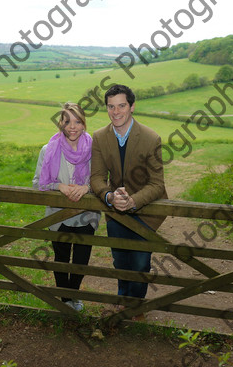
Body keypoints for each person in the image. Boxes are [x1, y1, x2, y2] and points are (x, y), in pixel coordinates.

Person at [90, 84, 167, 314]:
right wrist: (109, 196)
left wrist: (132, 201)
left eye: (121, 105)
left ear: (132, 107)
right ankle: (122, 302)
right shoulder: (99, 137)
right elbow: (96, 178)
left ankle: (136, 307)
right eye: (111, 107)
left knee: (140, 263)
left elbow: (157, 184)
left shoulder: (151, 138)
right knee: (120, 261)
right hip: (115, 210)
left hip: (145, 211)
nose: (116, 112)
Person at [32, 102, 100, 312]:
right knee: (61, 259)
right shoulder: (48, 150)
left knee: (80, 261)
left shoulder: (95, 149)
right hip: (57, 217)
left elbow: (102, 180)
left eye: (78, 121)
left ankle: (74, 296)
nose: (73, 126)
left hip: (86, 217)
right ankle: (64, 301)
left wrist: (86, 187)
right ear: (60, 122)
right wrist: (58, 186)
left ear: (84, 124)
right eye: (67, 120)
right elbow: (37, 183)